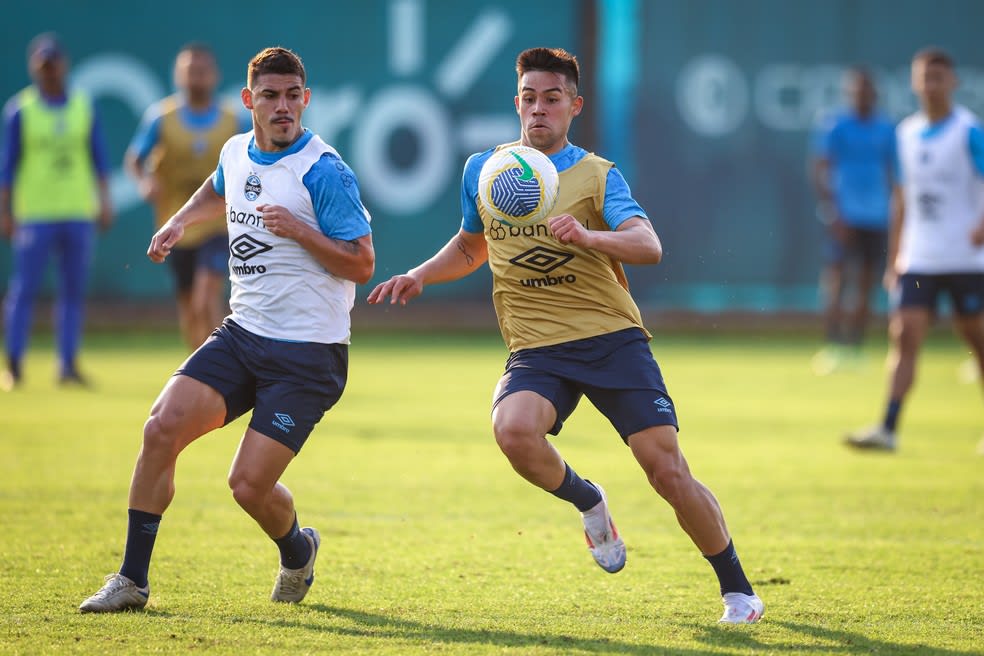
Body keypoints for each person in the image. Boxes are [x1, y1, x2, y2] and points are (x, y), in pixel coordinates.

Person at [368, 47, 764, 624]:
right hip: (536, 347)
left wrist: (587, 236)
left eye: (552, 99)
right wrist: (420, 274)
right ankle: (590, 501)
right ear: (517, 104)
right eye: (528, 98)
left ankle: (738, 591)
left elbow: (648, 246)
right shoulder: (487, 170)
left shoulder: (597, 174)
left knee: (665, 469)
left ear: (574, 106)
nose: (538, 110)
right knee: (513, 431)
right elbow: (471, 246)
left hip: (611, 339)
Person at [79, 46, 374, 612]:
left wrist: (300, 232)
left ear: (306, 99)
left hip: (308, 356)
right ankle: (132, 581)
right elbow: (219, 187)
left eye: (293, 96)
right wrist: (178, 221)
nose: (283, 106)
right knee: (160, 428)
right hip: (242, 337)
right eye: (270, 96)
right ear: (248, 101)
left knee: (247, 487)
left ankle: (296, 549)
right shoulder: (237, 149)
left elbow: (361, 262)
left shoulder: (323, 170)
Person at [846, 48, 984, 452]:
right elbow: (902, 198)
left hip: (965, 258)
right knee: (904, 335)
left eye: (939, 77)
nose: (931, 85)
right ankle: (888, 428)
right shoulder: (904, 134)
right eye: (925, 77)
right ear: (913, 82)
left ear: (953, 83)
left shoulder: (969, 131)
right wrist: (897, 256)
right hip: (921, 256)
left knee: (976, 340)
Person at [0, 33, 113, 389]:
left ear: (63, 65)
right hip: (35, 213)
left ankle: (67, 364)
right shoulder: (21, 110)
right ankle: (14, 363)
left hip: (77, 211)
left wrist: (103, 200)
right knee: (25, 290)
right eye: (42, 66)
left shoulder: (82, 106)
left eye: (53, 65)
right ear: (35, 69)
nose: (49, 72)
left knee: (72, 292)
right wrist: (5, 210)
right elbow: (8, 165)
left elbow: (98, 157)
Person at [126, 43, 248, 350]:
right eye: (190, 72)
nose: (197, 78)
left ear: (215, 76)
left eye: (202, 72)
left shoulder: (233, 120)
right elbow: (135, 158)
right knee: (188, 304)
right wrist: (145, 181)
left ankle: (221, 360)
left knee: (205, 297)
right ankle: (199, 365)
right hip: (177, 226)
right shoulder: (162, 118)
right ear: (178, 76)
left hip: (219, 225)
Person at [809, 68, 896, 375]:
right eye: (855, 90)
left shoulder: (886, 129)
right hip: (844, 215)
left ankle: (856, 346)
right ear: (849, 93)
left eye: (866, 90)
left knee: (866, 283)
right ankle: (834, 345)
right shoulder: (835, 125)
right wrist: (831, 210)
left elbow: (893, 173)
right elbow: (820, 167)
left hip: (877, 217)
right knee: (837, 279)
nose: (861, 96)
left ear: (873, 93)